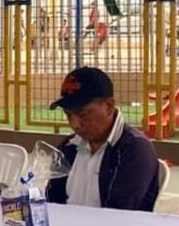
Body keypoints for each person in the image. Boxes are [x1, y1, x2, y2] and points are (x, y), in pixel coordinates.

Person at [46, 66, 159, 210]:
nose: (75, 124)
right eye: (68, 115)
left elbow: (119, 214)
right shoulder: (68, 147)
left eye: (82, 115)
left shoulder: (134, 149)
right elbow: (52, 202)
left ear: (109, 106)